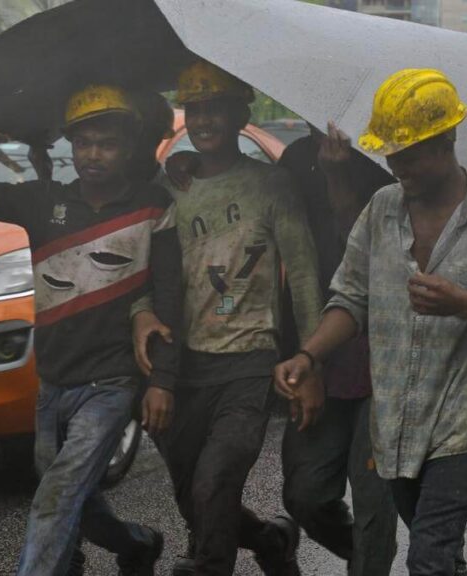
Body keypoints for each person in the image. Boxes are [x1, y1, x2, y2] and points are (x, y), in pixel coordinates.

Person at [274, 68, 467, 576]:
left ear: (446, 139)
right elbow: (350, 296)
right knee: (440, 558)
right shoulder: (381, 211)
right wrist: (307, 355)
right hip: (394, 422)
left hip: (463, 422)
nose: (395, 164)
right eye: (390, 152)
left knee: (427, 557)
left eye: (408, 153)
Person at [0, 80, 180, 576]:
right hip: (53, 381)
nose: (93, 154)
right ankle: (138, 544)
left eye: (108, 143)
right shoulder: (42, 202)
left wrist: (161, 380)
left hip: (112, 383)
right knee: (73, 494)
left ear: (130, 147)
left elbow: (167, 300)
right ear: (70, 146)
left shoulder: (154, 209)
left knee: (57, 495)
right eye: (83, 142)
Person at [131, 60, 323, 576]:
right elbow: (142, 271)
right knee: (196, 495)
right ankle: (270, 540)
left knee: (214, 482)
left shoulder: (272, 184)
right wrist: (141, 312)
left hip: (248, 362)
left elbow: (303, 274)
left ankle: (210, 565)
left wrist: (309, 363)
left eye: (215, 107)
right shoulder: (171, 185)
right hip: (181, 366)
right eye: (194, 108)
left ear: (241, 114)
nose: (203, 119)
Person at [276, 122, 399, 576]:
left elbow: (365, 255)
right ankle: (363, 555)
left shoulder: (388, 157)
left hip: (381, 353)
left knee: (373, 496)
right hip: (318, 348)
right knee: (304, 492)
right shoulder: (294, 160)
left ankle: (372, 562)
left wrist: (339, 176)